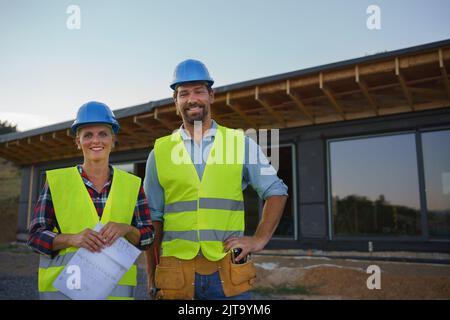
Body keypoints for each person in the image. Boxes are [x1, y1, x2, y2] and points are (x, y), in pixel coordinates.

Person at [144, 59, 288, 300]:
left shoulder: (239, 143)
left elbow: (276, 190)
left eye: (199, 91)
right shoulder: (159, 152)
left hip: (228, 271)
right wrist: (151, 274)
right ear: (175, 101)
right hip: (175, 273)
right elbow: (153, 219)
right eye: (184, 93)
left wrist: (259, 239)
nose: (192, 99)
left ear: (211, 95)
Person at [28, 101, 154, 300]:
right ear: (78, 142)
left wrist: (127, 229)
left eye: (103, 134)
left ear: (113, 140)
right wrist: (72, 239)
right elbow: (35, 237)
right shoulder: (57, 182)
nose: (96, 140)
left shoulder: (132, 185)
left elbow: (148, 238)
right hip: (64, 294)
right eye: (88, 135)